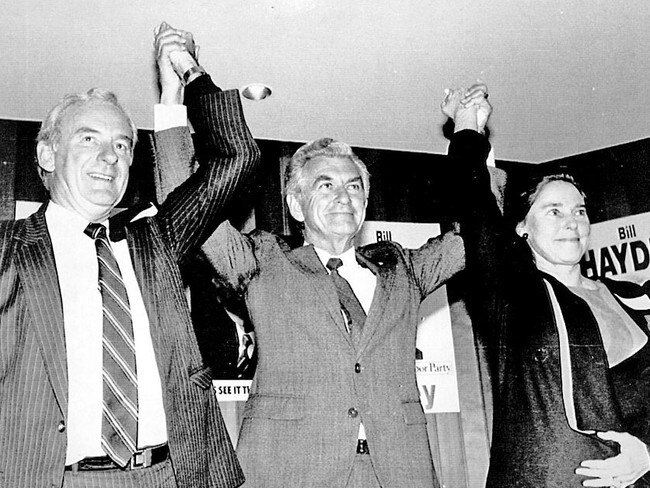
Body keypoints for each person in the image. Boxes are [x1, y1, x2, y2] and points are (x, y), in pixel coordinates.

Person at [153, 27, 491, 488]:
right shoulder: (261, 260)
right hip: (290, 471)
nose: (343, 196)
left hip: (398, 472)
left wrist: (472, 137)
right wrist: (173, 100)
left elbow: (480, 237)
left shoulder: (402, 267)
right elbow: (182, 202)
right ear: (295, 205)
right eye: (324, 185)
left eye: (353, 186)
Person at [0, 22, 260, 488]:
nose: (110, 156)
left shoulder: (156, 240)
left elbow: (235, 156)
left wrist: (183, 76)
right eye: (88, 139)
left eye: (122, 144)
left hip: (173, 475)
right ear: (46, 154)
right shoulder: (6, 249)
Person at [452, 88, 650, 487]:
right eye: (553, 211)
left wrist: (646, 452)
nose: (571, 221)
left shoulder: (629, 296)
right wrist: (466, 127)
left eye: (579, 211)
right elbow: (475, 207)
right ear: (522, 227)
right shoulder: (512, 294)